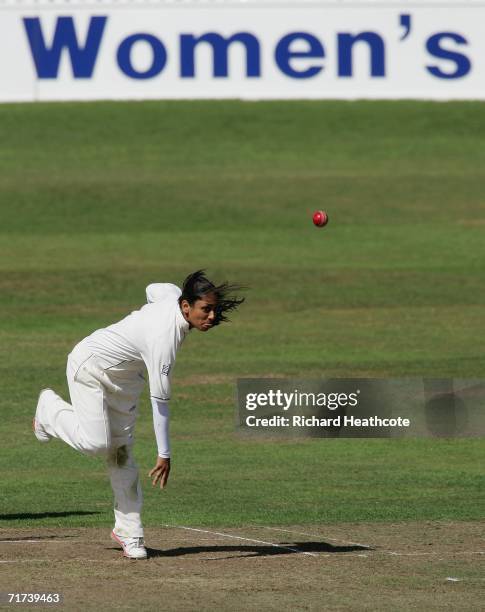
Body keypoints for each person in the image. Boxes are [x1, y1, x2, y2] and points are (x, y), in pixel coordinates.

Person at [33, 270, 244, 560]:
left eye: (213, 310)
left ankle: (129, 533)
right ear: (186, 306)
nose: (211, 316)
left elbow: (154, 288)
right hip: (91, 366)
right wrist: (164, 454)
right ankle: (49, 410)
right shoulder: (164, 340)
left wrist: (142, 322)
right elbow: (160, 403)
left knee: (121, 454)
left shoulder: (172, 297)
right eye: (205, 309)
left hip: (126, 381)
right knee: (96, 444)